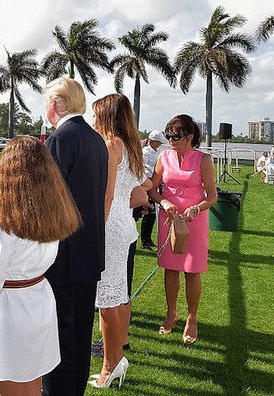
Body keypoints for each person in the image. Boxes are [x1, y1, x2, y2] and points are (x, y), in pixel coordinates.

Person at [0, 136, 81, 396]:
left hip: (14, 307)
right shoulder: (55, 212)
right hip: (41, 298)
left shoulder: (8, 225)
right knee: (33, 382)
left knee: (11, 385)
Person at [40, 77, 108, 396]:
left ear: (56, 104)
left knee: (59, 336)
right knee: (80, 333)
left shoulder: (60, 140)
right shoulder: (96, 140)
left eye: (46, 101)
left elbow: (49, 201)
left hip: (63, 254)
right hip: (89, 252)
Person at [89, 94, 151, 389]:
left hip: (110, 225)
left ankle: (110, 364)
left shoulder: (112, 144)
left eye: (96, 115)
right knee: (118, 295)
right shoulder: (132, 146)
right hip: (125, 223)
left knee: (106, 301)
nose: (93, 121)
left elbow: (107, 192)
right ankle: (114, 360)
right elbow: (142, 186)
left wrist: (96, 228)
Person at [147, 114, 218, 345]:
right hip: (169, 219)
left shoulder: (203, 160)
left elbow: (212, 197)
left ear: (189, 136)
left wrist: (196, 209)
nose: (170, 140)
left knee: (192, 270)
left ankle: (192, 318)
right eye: (168, 135)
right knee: (170, 268)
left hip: (194, 221)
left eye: (175, 136)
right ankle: (171, 313)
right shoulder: (163, 157)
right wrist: (164, 202)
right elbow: (152, 189)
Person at [135, 130, 167, 251]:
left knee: (152, 214)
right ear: (154, 141)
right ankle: (144, 241)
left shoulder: (157, 152)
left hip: (154, 184)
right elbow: (143, 168)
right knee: (147, 213)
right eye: (158, 142)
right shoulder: (145, 152)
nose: (160, 144)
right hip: (146, 184)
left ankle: (148, 239)